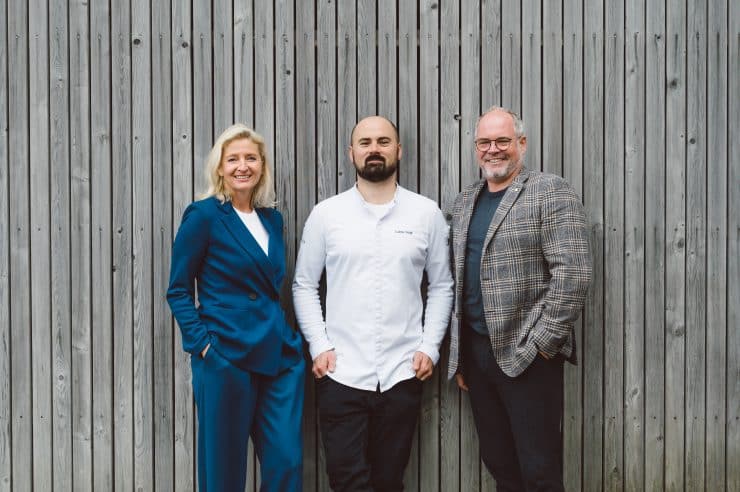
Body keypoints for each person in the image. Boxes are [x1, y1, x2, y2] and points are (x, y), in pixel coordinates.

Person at [292, 116, 454, 491]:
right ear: (351, 153)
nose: (374, 149)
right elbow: (304, 284)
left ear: (399, 150)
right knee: (347, 481)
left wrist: (430, 347)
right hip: (341, 372)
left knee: (388, 482)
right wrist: (319, 345)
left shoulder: (425, 213)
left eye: (383, 141)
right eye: (365, 143)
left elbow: (442, 285)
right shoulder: (327, 214)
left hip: (402, 372)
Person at [447, 107, 591, 491]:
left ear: (521, 144)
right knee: (500, 465)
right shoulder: (465, 201)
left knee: (539, 470)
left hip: (529, 355)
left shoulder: (550, 191)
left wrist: (542, 345)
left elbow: (574, 273)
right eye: (484, 142)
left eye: (502, 141)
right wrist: (462, 354)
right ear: (476, 148)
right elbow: (459, 279)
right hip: (477, 357)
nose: (492, 149)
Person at [167, 124, 304, 491]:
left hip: (278, 357)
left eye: (251, 158)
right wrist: (206, 348)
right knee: (223, 473)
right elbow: (178, 290)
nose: (243, 166)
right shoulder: (204, 216)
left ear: (262, 166)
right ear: (220, 167)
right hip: (226, 356)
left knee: (286, 462)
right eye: (233, 159)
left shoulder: (272, 219)